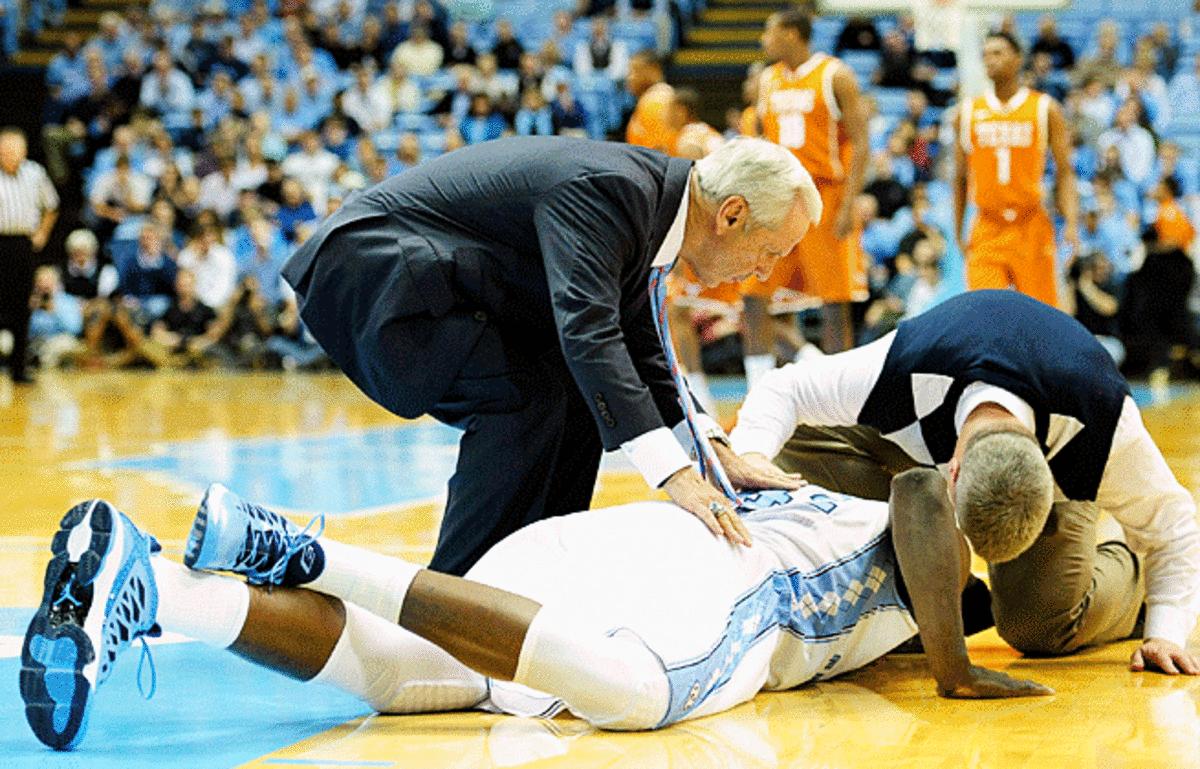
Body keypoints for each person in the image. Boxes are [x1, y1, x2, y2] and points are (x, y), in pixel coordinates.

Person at [20, 467, 1051, 751]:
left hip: (573, 563)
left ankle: (162, 587)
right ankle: (314, 550)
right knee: (646, 697)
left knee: (410, 679)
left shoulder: (874, 534)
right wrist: (957, 671)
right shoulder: (907, 510)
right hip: (706, 593)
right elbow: (926, 497)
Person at [279, 135, 820, 576]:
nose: (764, 273)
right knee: (523, 398)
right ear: (731, 213)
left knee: (578, 399)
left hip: (445, 280)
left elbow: (643, 348)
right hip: (375, 272)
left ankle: (534, 581)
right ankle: (455, 601)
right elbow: (589, 333)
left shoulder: (651, 205)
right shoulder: (613, 192)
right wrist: (674, 475)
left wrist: (712, 451)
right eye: (769, 252)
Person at [729, 289, 1200, 674]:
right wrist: (751, 457)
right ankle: (940, 590)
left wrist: (1166, 629)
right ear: (950, 474)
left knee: (1038, 627)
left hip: (1054, 444)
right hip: (937, 399)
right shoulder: (904, 363)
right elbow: (782, 388)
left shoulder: (1104, 427)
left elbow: (1175, 523)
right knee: (797, 437)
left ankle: (1121, 565)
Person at [744, 8, 870, 366]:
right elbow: (759, 138)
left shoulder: (835, 75)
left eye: (770, 32)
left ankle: (839, 393)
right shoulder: (767, 80)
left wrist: (849, 203)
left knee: (833, 303)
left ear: (792, 34)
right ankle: (761, 388)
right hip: (778, 198)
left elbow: (861, 142)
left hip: (825, 195)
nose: (764, 41)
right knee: (754, 297)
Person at [953, 31, 1078, 308]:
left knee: (1041, 318)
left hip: (1030, 223)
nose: (990, 60)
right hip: (987, 224)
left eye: (998, 53)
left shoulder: (1044, 108)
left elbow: (1065, 171)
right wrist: (958, 228)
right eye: (985, 54)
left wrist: (1071, 222)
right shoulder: (968, 112)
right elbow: (960, 178)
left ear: (1018, 59)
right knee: (983, 314)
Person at [0, 127, 59, 384]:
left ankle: (18, 369)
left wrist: (42, 233)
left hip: (24, 244)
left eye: (14, 150)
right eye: (4, 150)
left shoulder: (35, 173)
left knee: (22, 306)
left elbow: (52, 205)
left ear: (23, 151)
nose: (9, 155)